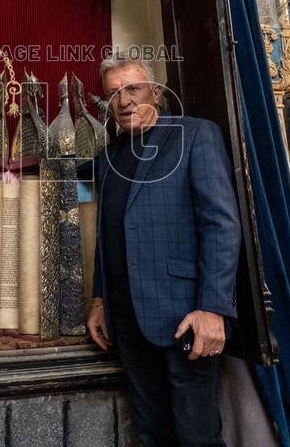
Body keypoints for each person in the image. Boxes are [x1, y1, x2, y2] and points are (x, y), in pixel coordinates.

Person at [87, 53, 241, 447]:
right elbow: (108, 234)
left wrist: (213, 308)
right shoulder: (108, 159)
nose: (123, 102)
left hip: (185, 317)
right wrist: (100, 299)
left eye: (132, 89)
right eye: (113, 95)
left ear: (155, 92)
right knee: (153, 433)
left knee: (196, 437)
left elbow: (221, 225)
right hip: (127, 323)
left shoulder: (195, 135)